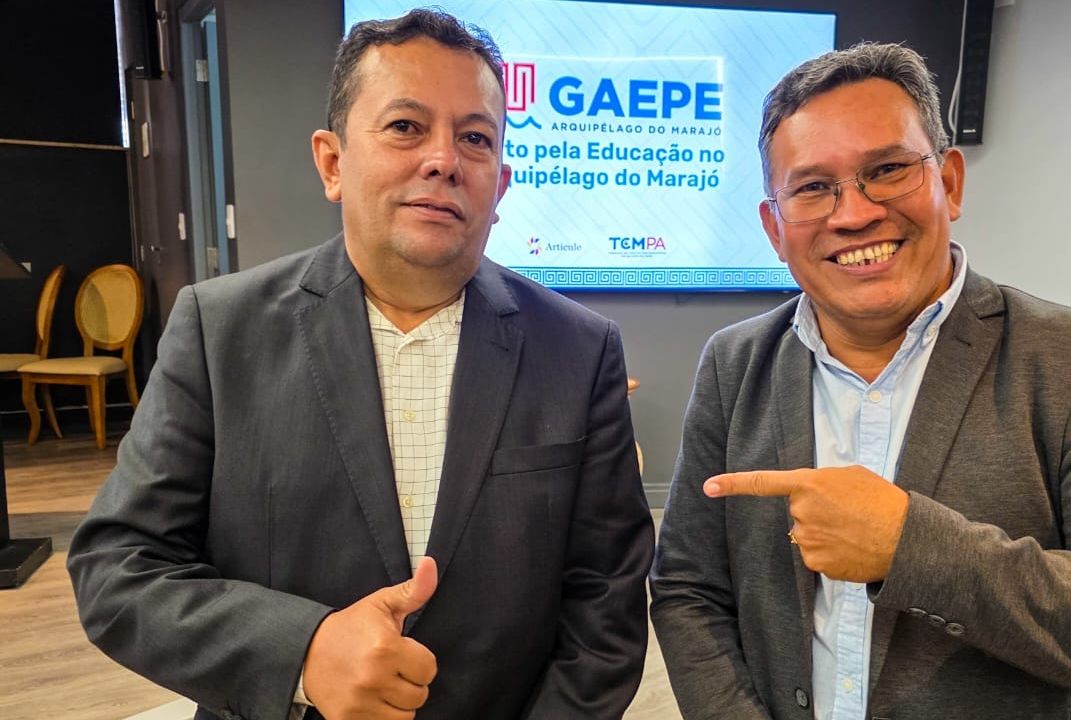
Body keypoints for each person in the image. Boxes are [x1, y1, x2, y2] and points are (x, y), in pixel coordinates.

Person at [68, 9, 652, 720]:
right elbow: (119, 567)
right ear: (333, 162)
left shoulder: (579, 349)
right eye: (406, 126)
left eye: (475, 137)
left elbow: (606, 600)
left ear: (499, 186)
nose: (444, 160)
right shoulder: (220, 331)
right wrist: (302, 652)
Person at [649, 42, 1071, 719]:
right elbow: (689, 591)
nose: (854, 213)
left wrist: (914, 548)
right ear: (774, 228)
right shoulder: (735, 362)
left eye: (887, 170)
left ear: (950, 183)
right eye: (812, 188)